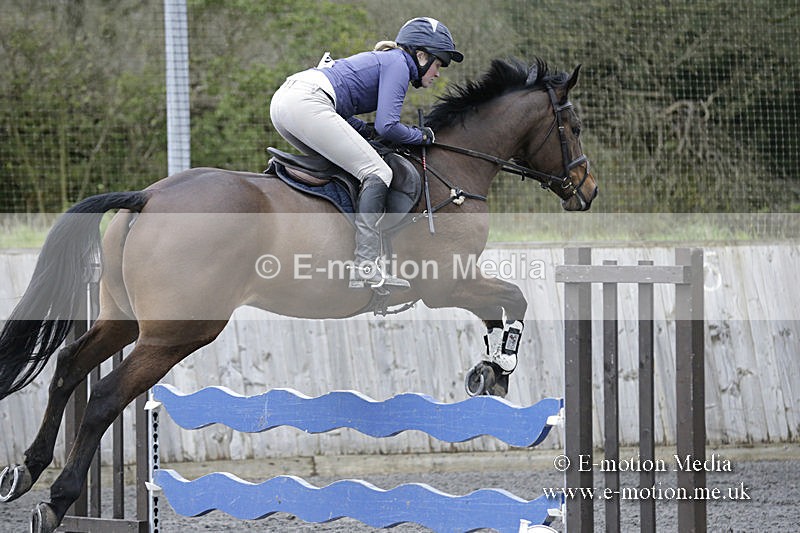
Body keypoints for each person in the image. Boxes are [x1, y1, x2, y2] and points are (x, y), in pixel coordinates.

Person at [269, 17, 463, 291]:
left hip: (286, 102)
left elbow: (355, 121)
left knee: (351, 167)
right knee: (378, 171)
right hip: (308, 101)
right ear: (421, 56)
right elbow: (388, 126)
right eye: (438, 64)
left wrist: (369, 132)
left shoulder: (389, 61)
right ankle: (366, 265)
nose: (438, 73)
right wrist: (422, 136)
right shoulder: (398, 63)